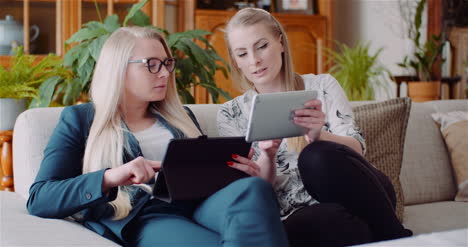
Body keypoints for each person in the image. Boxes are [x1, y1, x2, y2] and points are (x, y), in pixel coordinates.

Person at [26, 26, 289, 247]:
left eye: (166, 63)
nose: (164, 73)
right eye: (151, 65)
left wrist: (236, 172)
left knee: (253, 188)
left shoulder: (181, 115)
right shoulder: (80, 120)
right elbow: (40, 198)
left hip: (200, 203)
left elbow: (205, 174)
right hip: (148, 214)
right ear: (119, 69)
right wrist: (111, 177)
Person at [217, 8, 413, 247]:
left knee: (315, 155)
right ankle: (378, 235)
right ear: (235, 60)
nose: (254, 60)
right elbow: (257, 194)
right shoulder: (230, 114)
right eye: (242, 53)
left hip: (363, 194)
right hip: (305, 214)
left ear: (280, 42)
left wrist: (319, 135)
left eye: (261, 46)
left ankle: (396, 238)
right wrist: (267, 155)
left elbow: (357, 149)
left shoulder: (323, 86)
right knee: (315, 225)